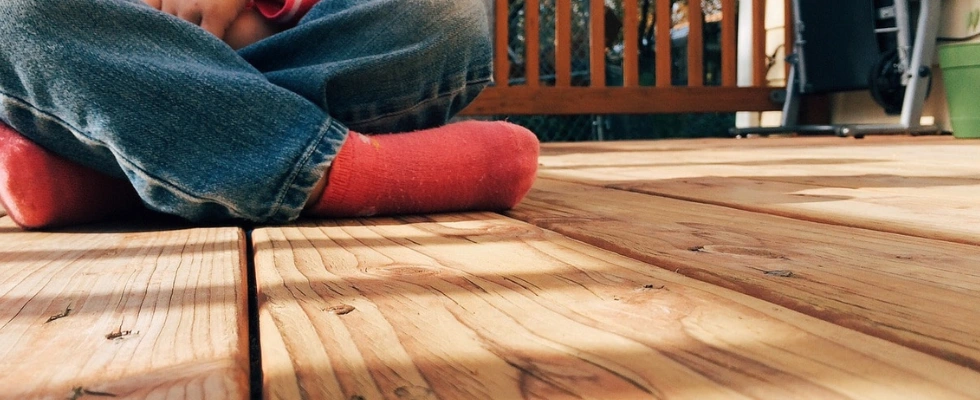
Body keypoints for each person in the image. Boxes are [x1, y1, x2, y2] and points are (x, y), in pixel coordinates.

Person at [0, 0, 539, 230]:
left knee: (446, 12)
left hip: (303, 40)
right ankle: (354, 171)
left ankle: (108, 171)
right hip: (103, 48)